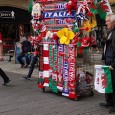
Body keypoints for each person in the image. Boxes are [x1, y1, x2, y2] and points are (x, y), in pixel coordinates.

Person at [99, 14, 115, 113]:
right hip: (108, 62)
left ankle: (114, 105)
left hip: (112, 64)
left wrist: (113, 64)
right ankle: (109, 102)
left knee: (113, 85)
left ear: (114, 22)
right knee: (109, 83)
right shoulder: (111, 32)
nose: (106, 23)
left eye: (107, 21)